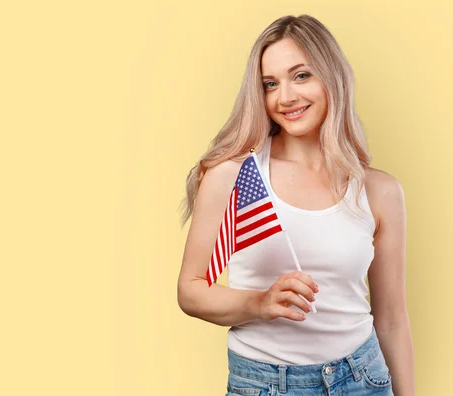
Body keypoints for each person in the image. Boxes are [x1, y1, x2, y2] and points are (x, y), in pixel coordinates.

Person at [177, 14, 415, 396]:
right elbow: (190, 291)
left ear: (331, 78)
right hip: (265, 385)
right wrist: (260, 302)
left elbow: (391, 321)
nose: (285, 97)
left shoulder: (381, 191)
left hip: (363, 379)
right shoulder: (234, 176)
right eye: (270, 84)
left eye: (301, 75)